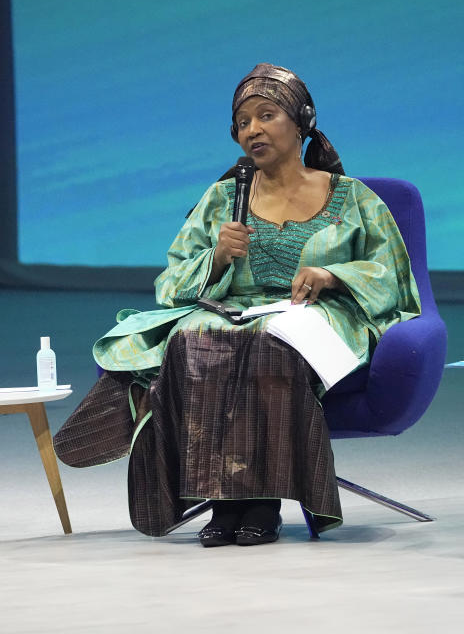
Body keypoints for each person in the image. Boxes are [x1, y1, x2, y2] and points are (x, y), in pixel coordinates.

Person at [53, 63, 421, 546]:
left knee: (273, 341)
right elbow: (171, 282)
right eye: (243, 123)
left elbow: (393, 275)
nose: (253, 130)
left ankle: (263, 501)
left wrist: (333, 274)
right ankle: (221, 501)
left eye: (266, 116)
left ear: (302, 122)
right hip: (235, 312)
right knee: (192, 336)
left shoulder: (352, 197)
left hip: (318, 316)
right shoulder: (223, 198)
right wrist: (216, 257)